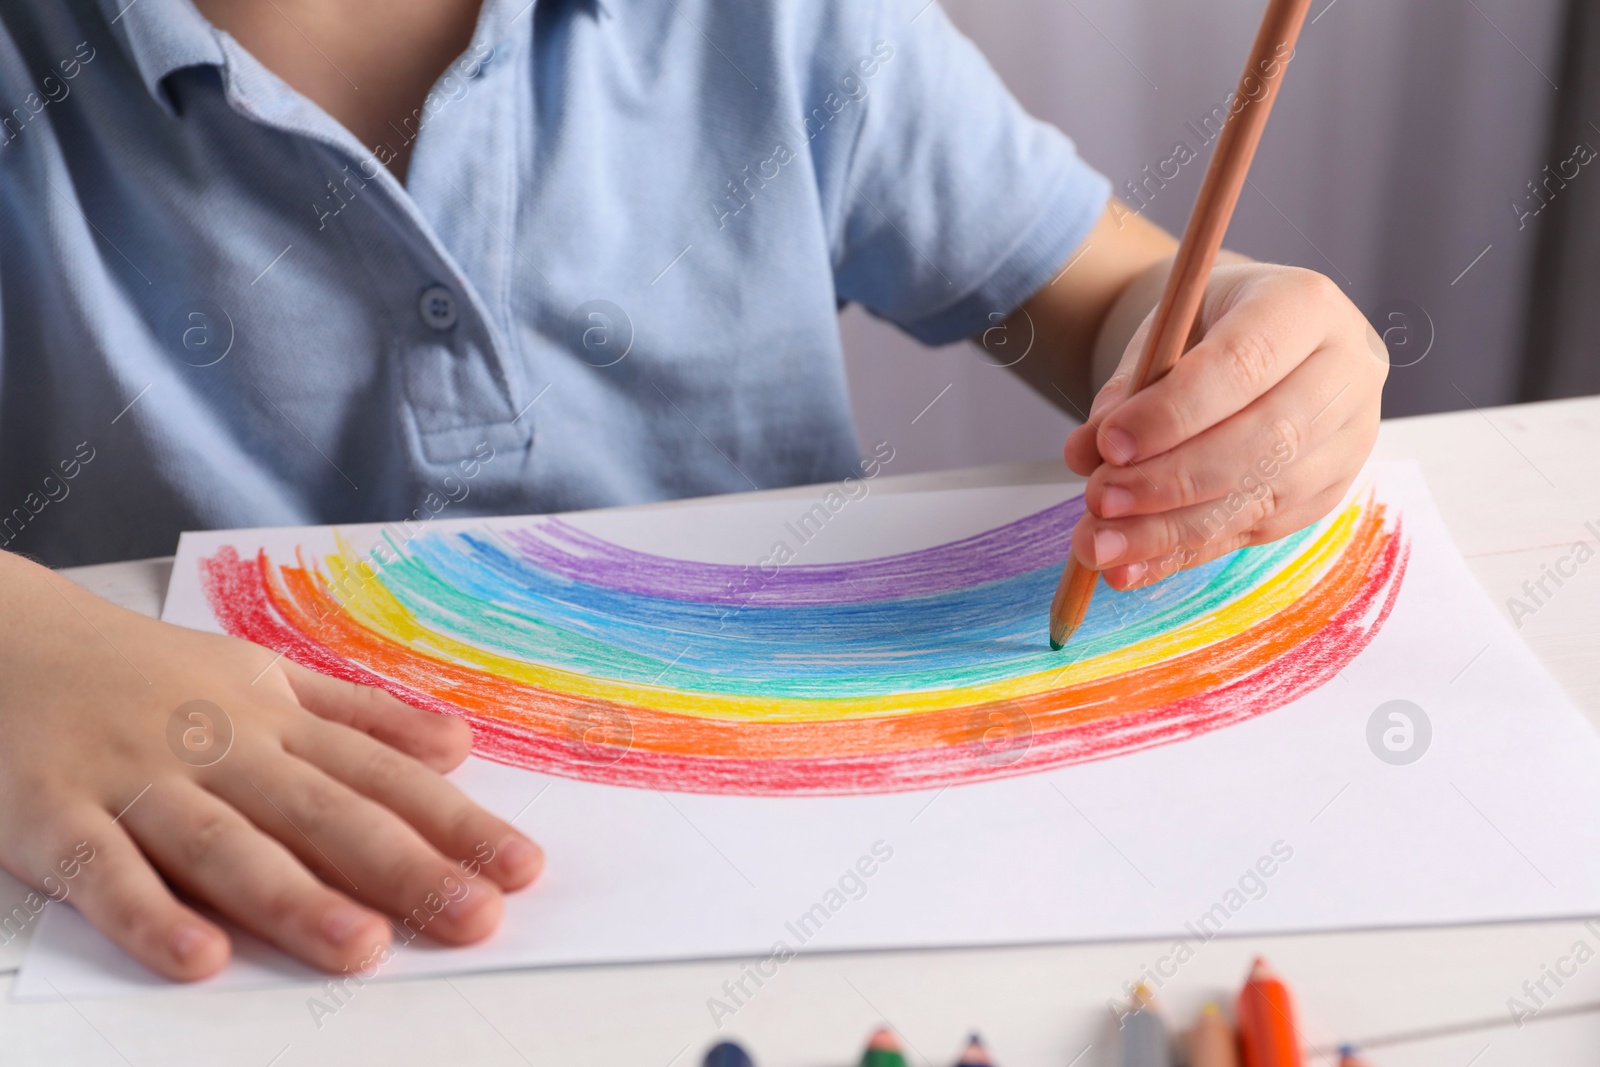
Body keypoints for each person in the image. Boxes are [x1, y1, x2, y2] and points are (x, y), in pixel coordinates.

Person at [0, 0, 1385, 980]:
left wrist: (1235, 344)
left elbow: (1107, 307)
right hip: (210, 954)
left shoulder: (789, 25)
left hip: (820, 918)